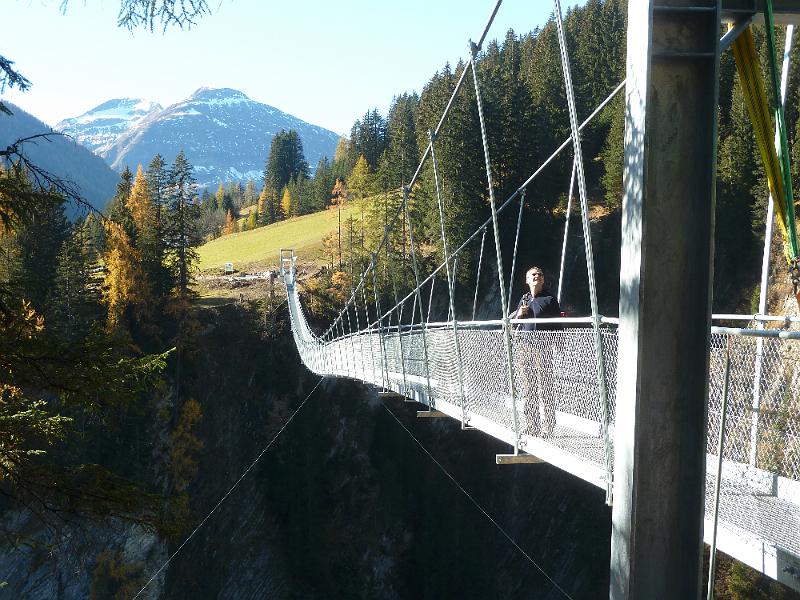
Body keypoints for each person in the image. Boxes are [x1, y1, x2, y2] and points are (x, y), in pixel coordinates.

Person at [513, 266, 561, 436]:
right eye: (533, 274)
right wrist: (519, 314)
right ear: (527, 280)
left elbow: (558, 325)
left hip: (543, 348)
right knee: (528, 388)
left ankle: (549, 427)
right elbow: (513, 323)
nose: (537, 276)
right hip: (524, 348)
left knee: (545, 388)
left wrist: (558, 345)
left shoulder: (550, 299)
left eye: (540, 274)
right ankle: (532, 426)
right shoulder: (524, 299)